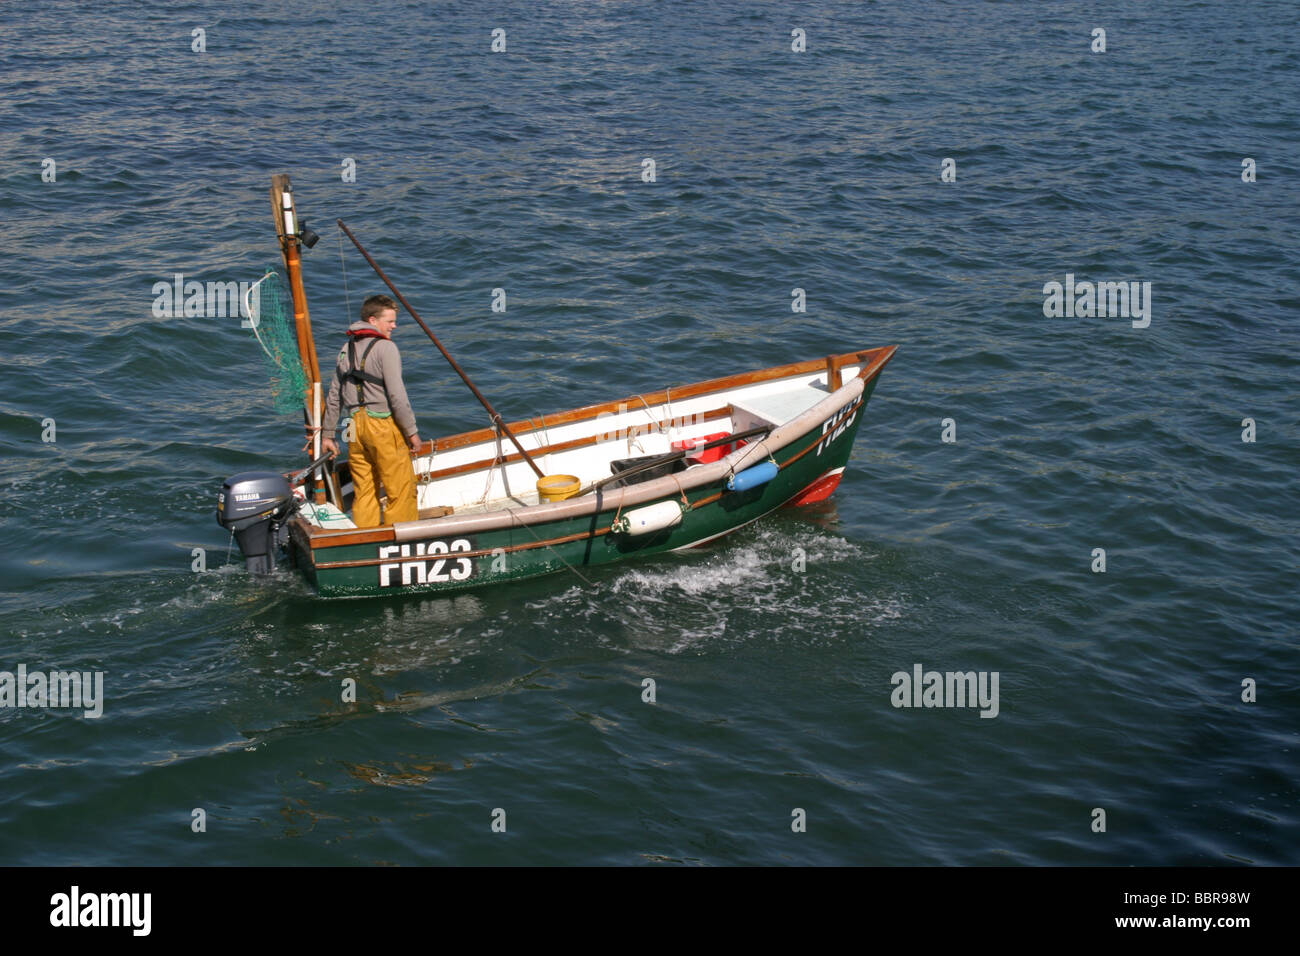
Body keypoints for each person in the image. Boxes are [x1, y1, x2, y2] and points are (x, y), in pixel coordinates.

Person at [316, 295, 422, 527]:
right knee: (401, 489)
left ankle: (366, 538)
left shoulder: (345, 349)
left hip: (352, 425)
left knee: (364, 489)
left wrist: (327, 435)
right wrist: (411, 431)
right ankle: (401, 543)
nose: (394, 326)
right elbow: (397, 396)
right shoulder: (386, 348)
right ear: (372, 320)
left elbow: (334, 395)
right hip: (381, 424)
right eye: (390, 321)